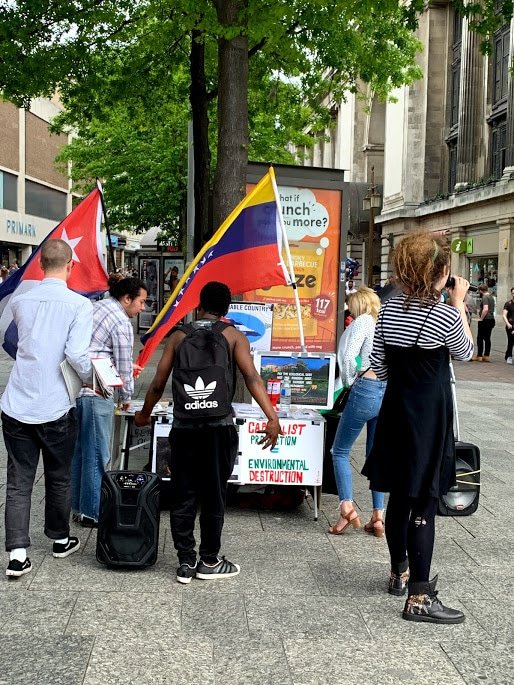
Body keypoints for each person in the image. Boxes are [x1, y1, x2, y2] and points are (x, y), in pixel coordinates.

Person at [134, 281, 281, 584]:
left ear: (200, 306)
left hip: (184, 428)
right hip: (219, 428)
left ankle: (186, 561)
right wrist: (272, 418)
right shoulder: (233, 336)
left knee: (183, 492)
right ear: (227, 310)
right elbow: (251, 377)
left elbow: (159, 383)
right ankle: (210, 560)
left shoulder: (178, 336)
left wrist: (144, 414)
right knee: (214, 493)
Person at [362, 229, 473, 624]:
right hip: (429, 413)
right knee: (425, 498)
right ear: (441, 271)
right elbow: (465, 351)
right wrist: (458, 303)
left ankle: (398, 572)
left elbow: (380, 363)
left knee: (398, 496)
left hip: (397, 409)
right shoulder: (444, 313)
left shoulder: (388, 310)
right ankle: (420, 598)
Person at [2, 239, 93, 577]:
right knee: (59, 475)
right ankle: (59, 539)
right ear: (71, 266)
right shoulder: (80, 306)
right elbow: (77, 355)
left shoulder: (21, 302)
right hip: (56, 403)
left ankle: (17, 553)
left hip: (17, 401)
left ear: (40, 265)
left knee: (18, 480)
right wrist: (91, 379)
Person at [71, 276, 147, 527]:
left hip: (77, 389)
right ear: (127, 299)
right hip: (98, 392)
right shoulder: (121, 321)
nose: (142, 308)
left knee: (81, 452)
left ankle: (77, 506)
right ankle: (93, 512)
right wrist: (126, 397)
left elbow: (99, 349)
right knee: (97, 454)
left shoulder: (97, 306)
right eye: (141, 302)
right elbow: (124, 366)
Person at [328, 287, 387, 537]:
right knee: (375, 454)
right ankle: (378, 516)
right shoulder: (383, 320)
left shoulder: (363, 321)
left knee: (339, 451)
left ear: (358, 305)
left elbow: (349, 357)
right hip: (386, 390)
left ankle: (347, 507)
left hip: (366, 388)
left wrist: (352, 382)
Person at [472, 283, 495, 362]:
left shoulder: (485, 297)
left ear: (481, 290)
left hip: (485, 320)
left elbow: (485, 309)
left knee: (480, 338)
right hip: (491, 319)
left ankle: (479, 355)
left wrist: (481, 318)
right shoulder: (491, 297)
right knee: (487, 338)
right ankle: (486, 355)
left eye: (479, 291)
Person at [502, 286, 514, 364]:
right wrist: (508, 324)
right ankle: (509, 356)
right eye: (513, 293)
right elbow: (504, 315)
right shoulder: (508, 304)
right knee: (511, 341)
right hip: (510, 325)